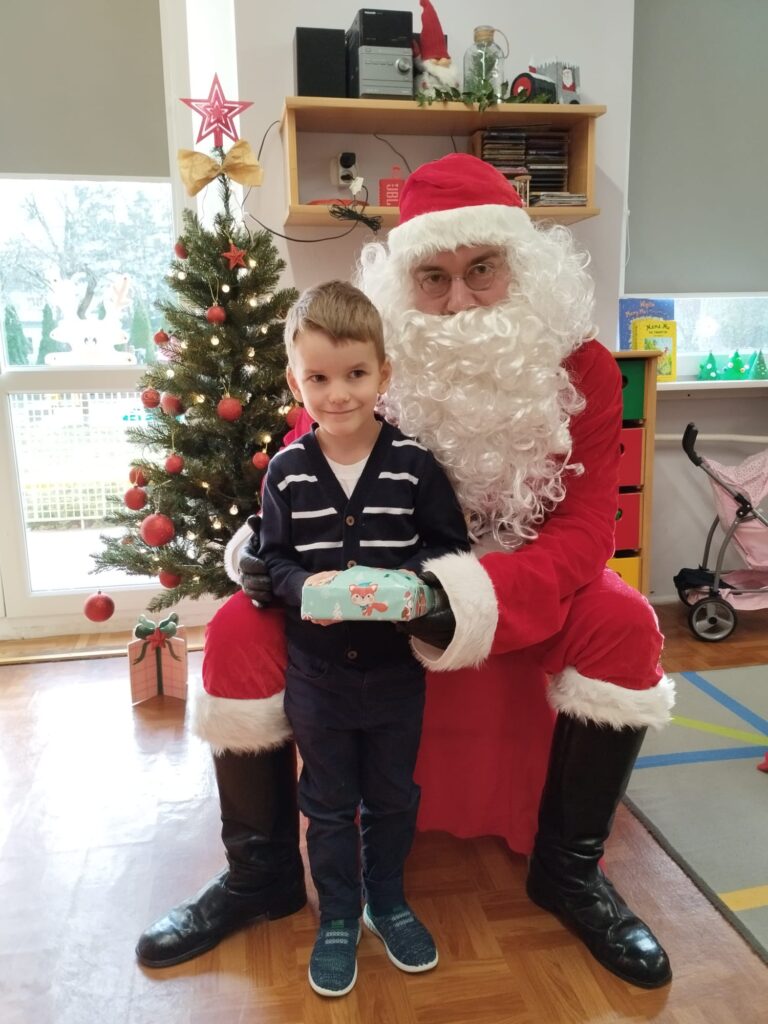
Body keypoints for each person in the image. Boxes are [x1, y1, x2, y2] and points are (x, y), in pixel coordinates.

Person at [137, 153, 676, 990]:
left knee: (626, 623)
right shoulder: (376, 364)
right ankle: (262, 873)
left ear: (522, 268)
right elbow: (305, 460)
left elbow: (583, 534)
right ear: (403, 286)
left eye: (482, 270)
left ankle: (568, 873)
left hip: (525, 575)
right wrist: (264, 555)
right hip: (373, 580)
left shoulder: (587, 370)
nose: (458, 301)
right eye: (432, 277)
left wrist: (469, 596)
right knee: (241, 625)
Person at [258, 280, 469, 995]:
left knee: (392, 796)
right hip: (317, 677)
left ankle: (387, 899)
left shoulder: (413, 464)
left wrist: (413, 584)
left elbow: (450, 548)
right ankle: (340, 913)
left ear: (384, 373)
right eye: (318, 378)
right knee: (325, 802)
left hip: (395, 674)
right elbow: (273, 560)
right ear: (296, 382)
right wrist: (303, 588)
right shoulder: (287, 473)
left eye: (355, 374)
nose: (338, 393)